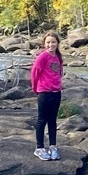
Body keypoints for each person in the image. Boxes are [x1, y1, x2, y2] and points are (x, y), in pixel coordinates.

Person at [30, 30, 63, 161]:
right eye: (48, 42)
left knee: (52, 120)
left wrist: (59, 84)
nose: (51, 45)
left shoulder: (58, 57)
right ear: (44, 43)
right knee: (42, 120)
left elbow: (59, 72)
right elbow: (35, 73)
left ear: (58, 43)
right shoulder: (42, 57)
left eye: (53, 42)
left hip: (56, 93)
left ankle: (53, 146)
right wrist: (35, 88)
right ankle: (39, 148)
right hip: (44, 92)